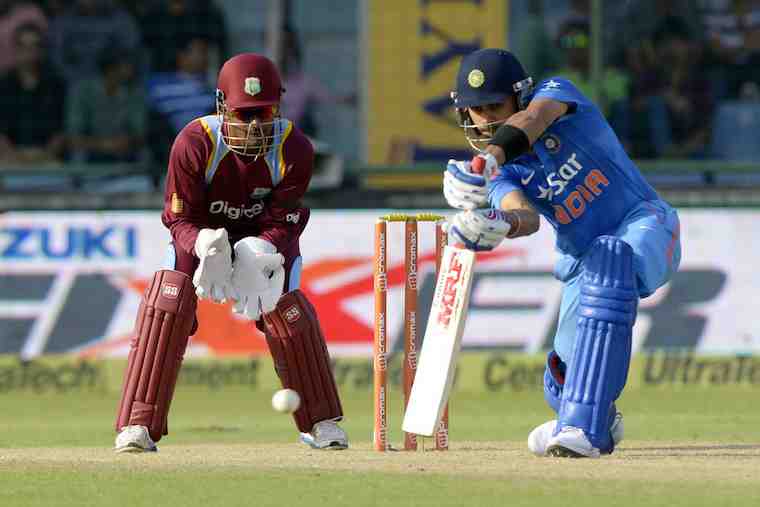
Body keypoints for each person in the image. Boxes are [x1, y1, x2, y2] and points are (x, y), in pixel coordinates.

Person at [443, 48, 681, 458]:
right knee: (563, 379)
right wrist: (499, 225)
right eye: (476, 110)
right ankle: (592, 414)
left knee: (613, 258)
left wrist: (488, 158)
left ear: (520, 95)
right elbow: (526, 217)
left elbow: (532, 121)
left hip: (645, 224)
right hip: (581, 260)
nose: (485, 118)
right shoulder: (506, 173)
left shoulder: (557, 95)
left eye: (494, 105)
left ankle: (583, 431)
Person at [114, 53, 348, 453]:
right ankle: (138, 425)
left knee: (287, 309)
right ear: (222, 106)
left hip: (266, 235)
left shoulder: (296, 149)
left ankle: (321, 423)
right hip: (204, 236)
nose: (256, 127)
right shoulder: (193, 143)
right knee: (167, 299)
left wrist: (264, 246)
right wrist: (205, 243)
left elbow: (289, 216)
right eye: (244, 115)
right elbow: (178, 217)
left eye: (264, 113)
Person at [0, 23, 66, 164]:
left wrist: (45, 156)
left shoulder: (56, 84)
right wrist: (15, 157)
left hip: (47, 156)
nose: (29, 52)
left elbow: (61, 130)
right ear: (15, 49)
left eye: (34, 46)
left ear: (41, 50)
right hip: (9, 156)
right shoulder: (3, 84)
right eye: (23, 46)